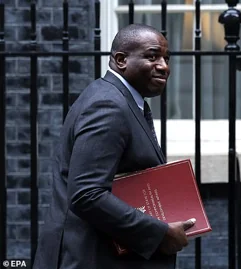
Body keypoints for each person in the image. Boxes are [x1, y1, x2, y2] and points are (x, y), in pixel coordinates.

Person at [32, 23, 195, 269]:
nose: (164, 66)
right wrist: (158, 233)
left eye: (166, 58)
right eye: (152, 56)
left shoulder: (122, 99)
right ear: (121, 60)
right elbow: (87, 194)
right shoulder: (108, 106)